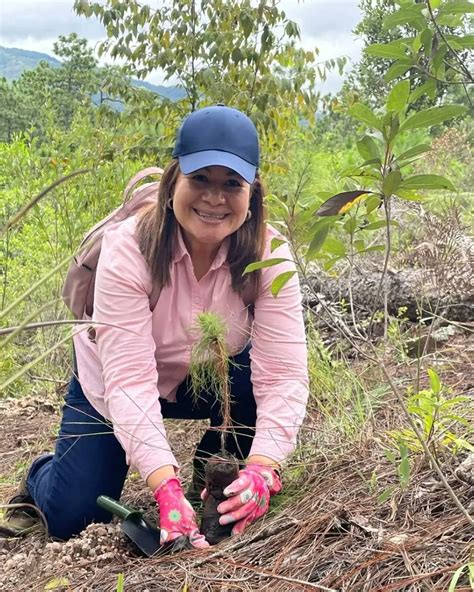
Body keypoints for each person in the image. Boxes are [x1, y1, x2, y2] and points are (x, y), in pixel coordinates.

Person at [2, 105, 309, 547]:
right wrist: (162, 484)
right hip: (115, 380)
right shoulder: (129, 248)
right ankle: (41, 475)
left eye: (231, 184)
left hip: (210, 376)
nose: (214, 198)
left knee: (241, 456)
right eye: (200, 179)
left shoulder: (269, 256)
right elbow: (129, 379)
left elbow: (283, 374)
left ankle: (210, 472)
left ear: (252, 193)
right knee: (72, 516)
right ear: (173, 181)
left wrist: (263, 469)